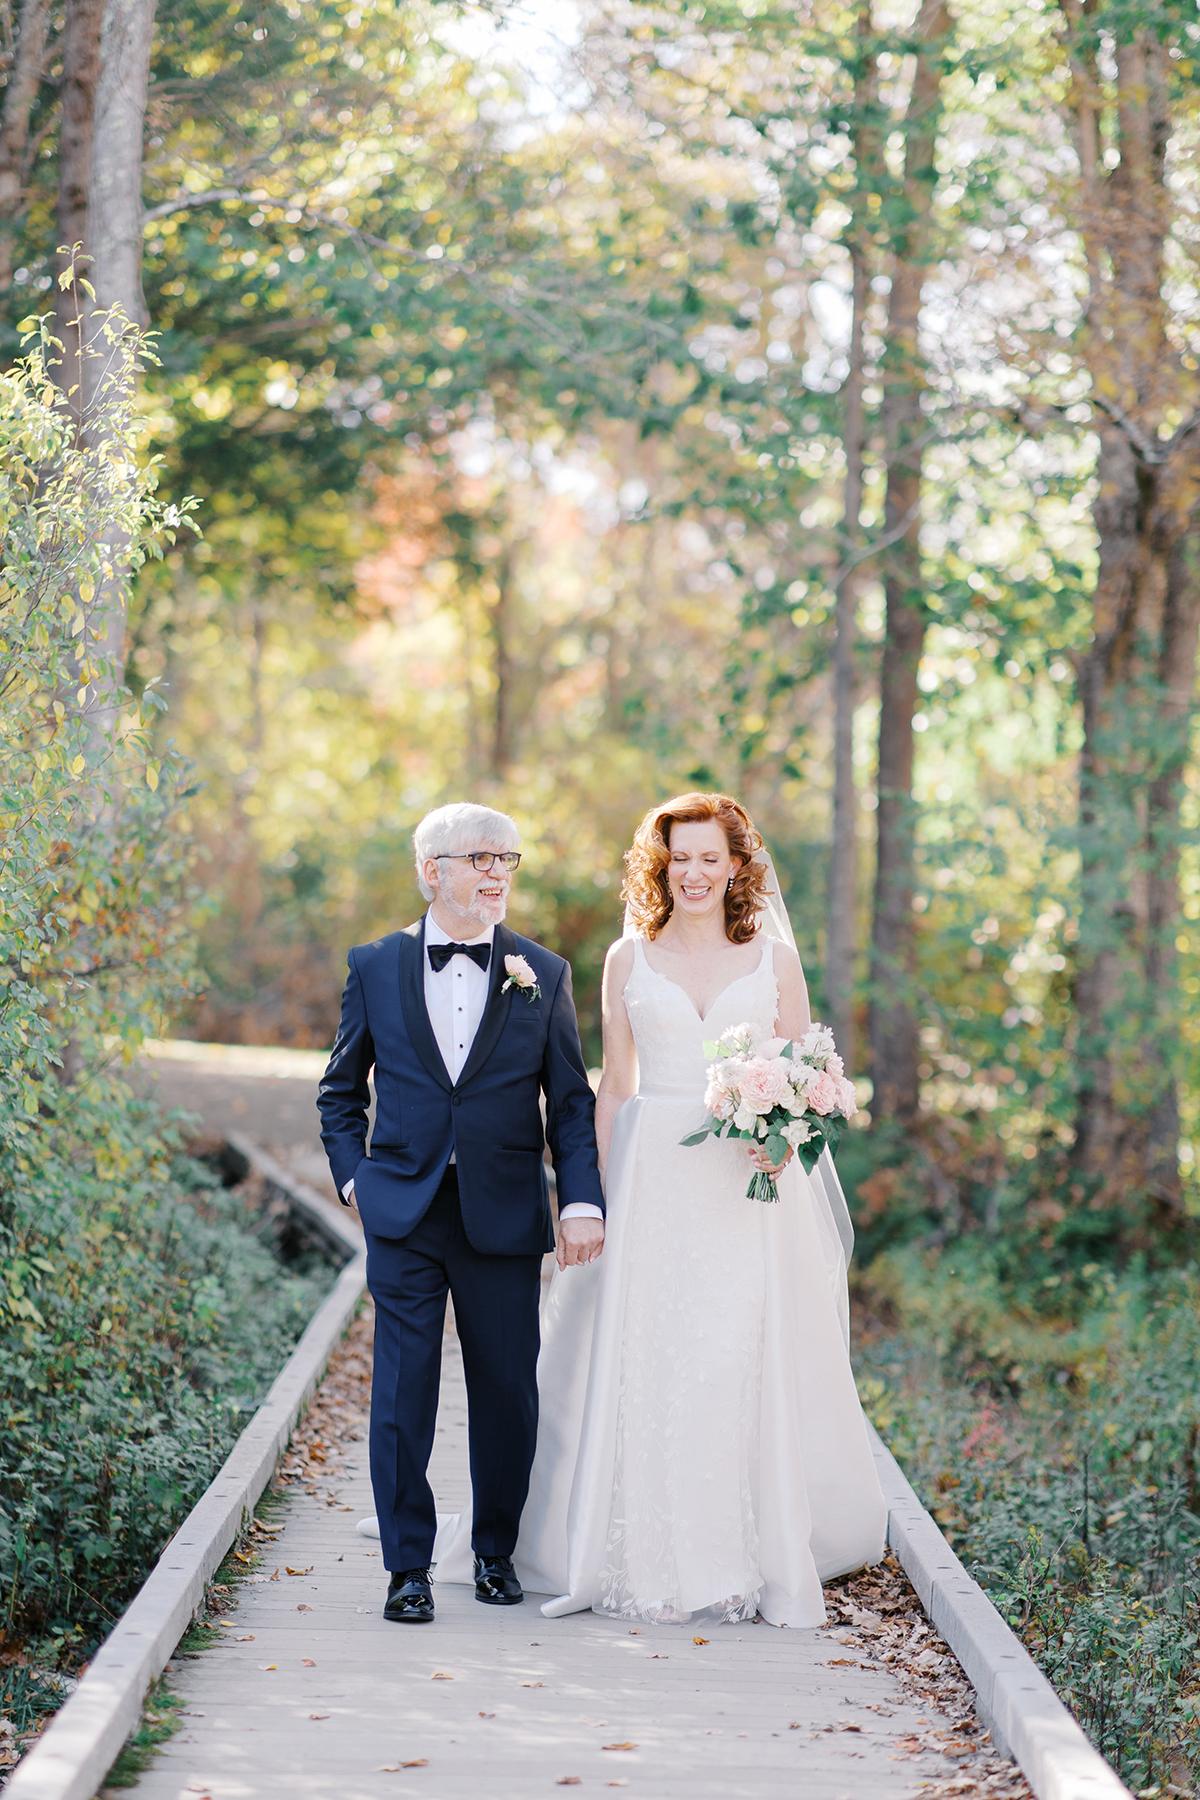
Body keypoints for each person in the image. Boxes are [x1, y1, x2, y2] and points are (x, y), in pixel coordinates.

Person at [420, 791, 887, 1627]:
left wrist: (781, 1138)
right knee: (652, 1353)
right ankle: (635, 1547)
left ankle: (739, 1552)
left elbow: (806, 1080)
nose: (695, 873)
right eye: (680, 858)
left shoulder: (774, 963)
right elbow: (613, 1091)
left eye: (711, 858)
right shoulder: (627, 960)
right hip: (652, 1184)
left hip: (746, 1190)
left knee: (732, 1358)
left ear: (738, 866)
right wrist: (585, 1200)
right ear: (660, 866)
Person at [317, 801, 604, 1625]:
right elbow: (338, 1093)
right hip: (403, 1211)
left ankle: (493, 1552)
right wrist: (354, 1183)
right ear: (430, 869)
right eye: (481, 858)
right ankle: (406, 1568)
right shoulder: (374, 966)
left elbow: (571, 1105)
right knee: (402, 1393)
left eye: (508, 861)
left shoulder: (541, 975)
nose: (496, 875)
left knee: (507, 1391)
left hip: (505, 1215)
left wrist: (580, 1200)